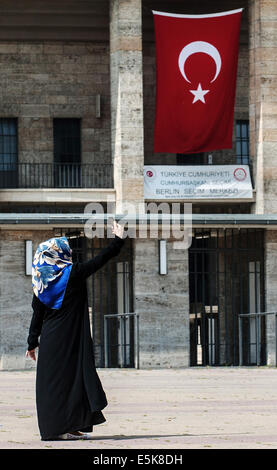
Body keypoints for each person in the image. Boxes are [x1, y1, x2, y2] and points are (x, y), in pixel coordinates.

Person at [25, 220, 125, 440]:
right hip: (70, 338)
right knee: (72, 381)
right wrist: (118, 240)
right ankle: (67, 428)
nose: (69, 255)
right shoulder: (73, 273)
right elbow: (100, 260)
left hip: (51, 340)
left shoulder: (41, 281)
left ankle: (60, 429)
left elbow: (37, 315)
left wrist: (32, 343)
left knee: (54, 384)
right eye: (66, 252)